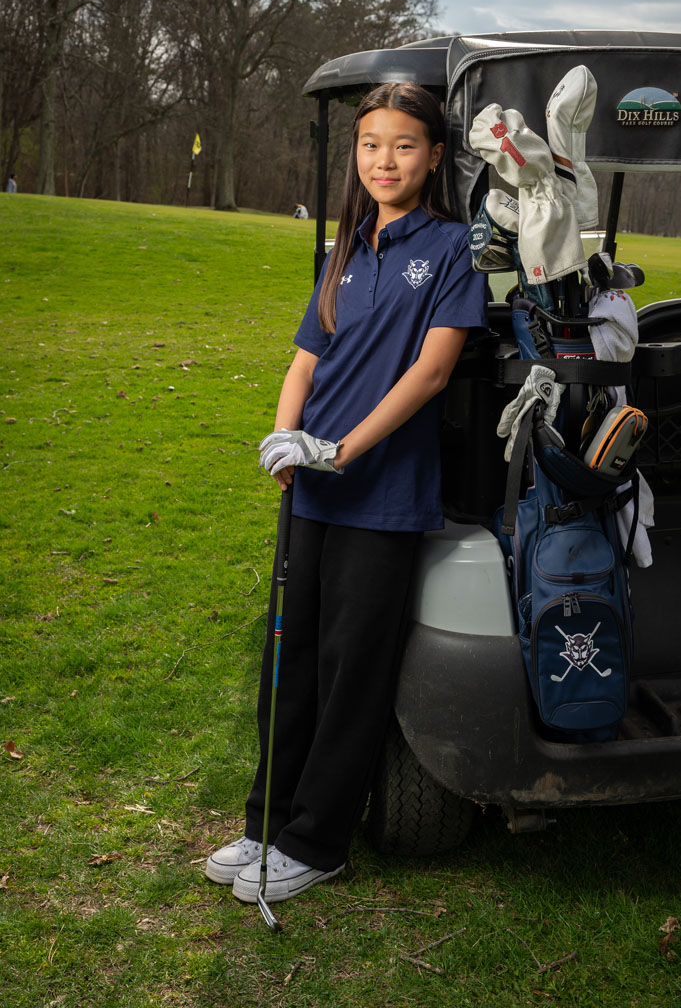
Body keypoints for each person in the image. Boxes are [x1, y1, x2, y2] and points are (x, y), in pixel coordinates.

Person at [205, 82, 488, 905]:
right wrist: (284, 437)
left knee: (349, 670)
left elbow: (431, 372)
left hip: (382, 493)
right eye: (370, 144)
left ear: (433, 156)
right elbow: (305, 363)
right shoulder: (347, 248)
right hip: (312, 488)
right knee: (288, 660)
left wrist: (339, 450)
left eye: (403, 145)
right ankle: (267, 823)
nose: (383, 160)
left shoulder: (452, 248)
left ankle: (317, 840)